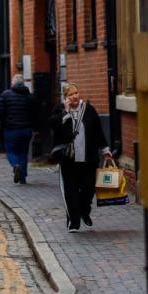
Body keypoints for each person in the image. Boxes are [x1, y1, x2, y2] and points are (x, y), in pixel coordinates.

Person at [51, 83, 108, 230]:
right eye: (70, 95)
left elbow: (98, 131)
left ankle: (84, 212)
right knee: (70, 192)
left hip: (88, 159)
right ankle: (73, 222)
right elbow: (56, 131)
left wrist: (105, 149)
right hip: (68, 160)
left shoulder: (89, 110)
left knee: (88, 189)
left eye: (76, 93)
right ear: (65, 97)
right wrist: (66, 113)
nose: (74, 96)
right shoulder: (60, 111)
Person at [0, 71, 38, 184]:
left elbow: (0, 112)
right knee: (23, 152)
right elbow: (34, 113)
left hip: (11, 129)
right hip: (26, 130)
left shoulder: (5, 95)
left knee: (11, 151)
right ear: (23, 84)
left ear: (13, 83)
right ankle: (23, 177)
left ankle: (15, 165)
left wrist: (4, 124)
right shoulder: (29, 97)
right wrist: (34, 128)